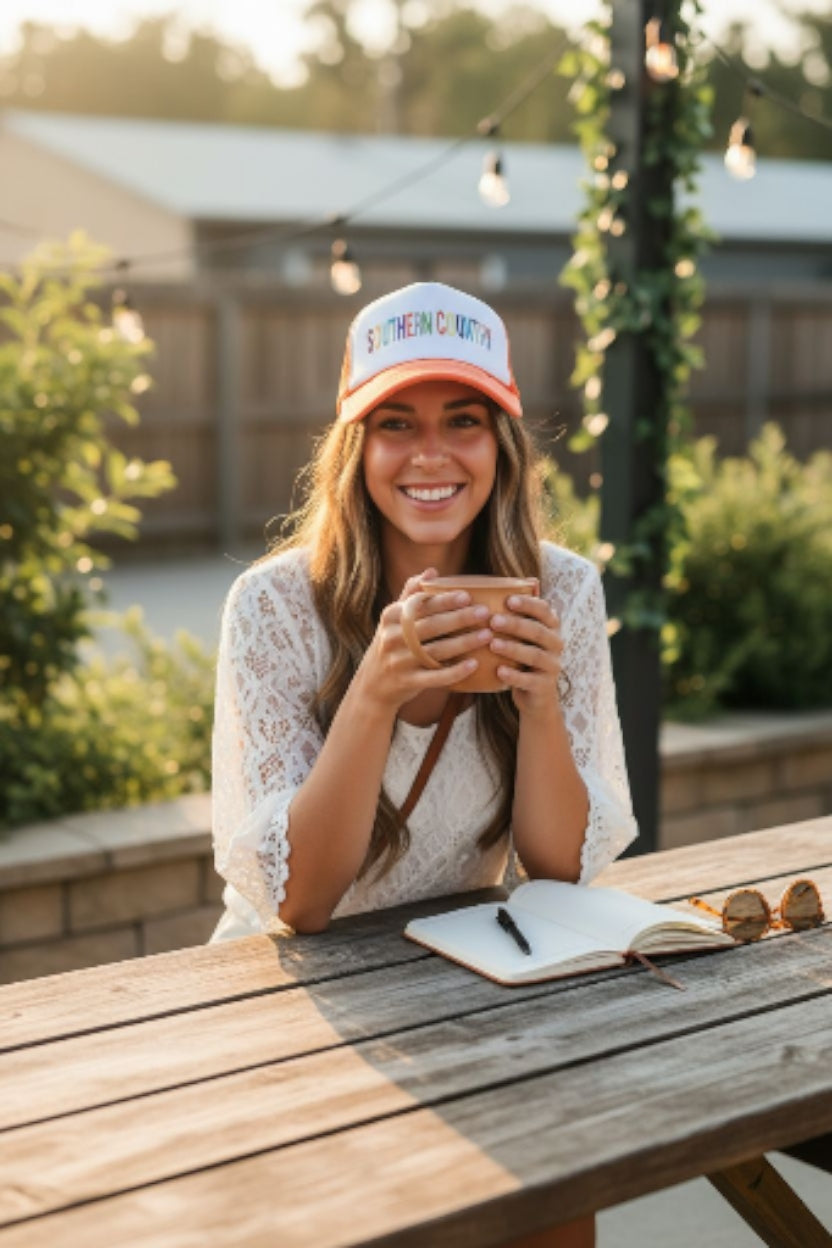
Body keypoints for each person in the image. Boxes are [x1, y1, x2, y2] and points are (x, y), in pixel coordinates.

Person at [210, 281, 637, 1248]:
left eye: (464, 422)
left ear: (504, 445)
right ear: (355, 450)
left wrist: (538, 702)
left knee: (558, 1194)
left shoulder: (564, 591)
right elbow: (301, 906)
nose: (431, 455)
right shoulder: (274, 607)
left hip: (471, 975)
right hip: (296, 996)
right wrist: (372, 693)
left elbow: (557, 870)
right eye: (396, 423)